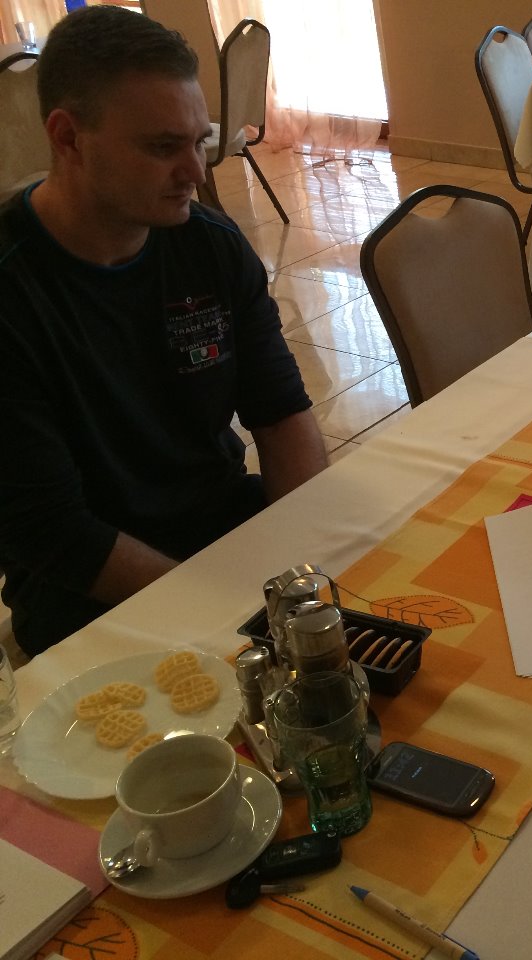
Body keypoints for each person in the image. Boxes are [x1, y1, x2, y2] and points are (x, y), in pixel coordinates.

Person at [0, 7, 328, 658]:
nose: (197, 172)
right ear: (67, 138)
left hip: (223, 530)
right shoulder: (14, 290)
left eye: (199, 141)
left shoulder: (209, 247)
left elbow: (281, 413)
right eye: (162, 147)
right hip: (88, 597)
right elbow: (55, 534)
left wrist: (306, 567)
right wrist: (226, 617)